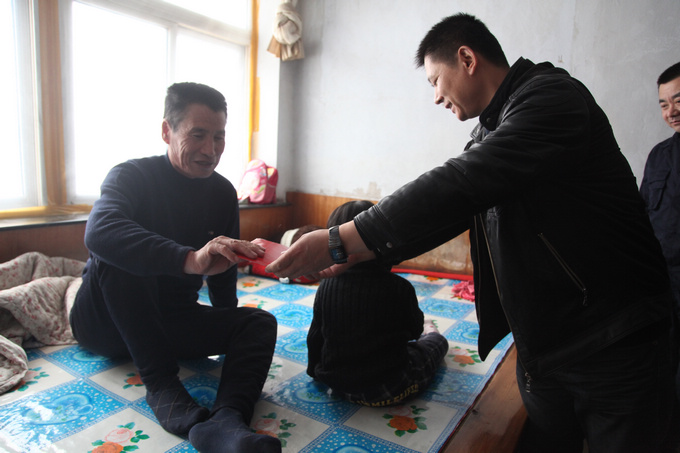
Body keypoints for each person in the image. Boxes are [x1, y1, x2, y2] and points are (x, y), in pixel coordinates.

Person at [266, 13, 676, 453]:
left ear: (466, 59)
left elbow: (462, 182)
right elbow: (453, 209)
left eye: (435, 81)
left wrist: (341, 238)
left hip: (612, 337)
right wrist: (362, 252)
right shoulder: (490, 130)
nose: (436, 97)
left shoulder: (553, 98)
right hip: (544, 342)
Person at [69, 82, 281, 453]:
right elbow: (99, 231)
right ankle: (163, 389)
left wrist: (227, 327)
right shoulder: (131, 176)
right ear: (167, 131)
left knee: (258, 323)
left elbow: (225, 265)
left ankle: (227, 421)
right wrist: (190, 259)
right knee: (115, 253)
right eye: (197, 135)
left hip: (170, 321)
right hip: (106, 326)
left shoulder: (222, 193)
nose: (210, 150)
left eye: (219, 137)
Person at [306, 200, 449, 407]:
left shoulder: (325, 286)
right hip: (392, 387)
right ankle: (433, 331)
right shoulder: (399, 287)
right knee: (435, 343)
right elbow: (414, 330)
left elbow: (316, 335)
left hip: (339, 386)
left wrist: (314, 371)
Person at [640, 61, 680, 435]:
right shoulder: (659, 156)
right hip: (661, 286)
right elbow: (640, 219)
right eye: (664, 104)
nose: (672, 112)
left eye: (678, 100)